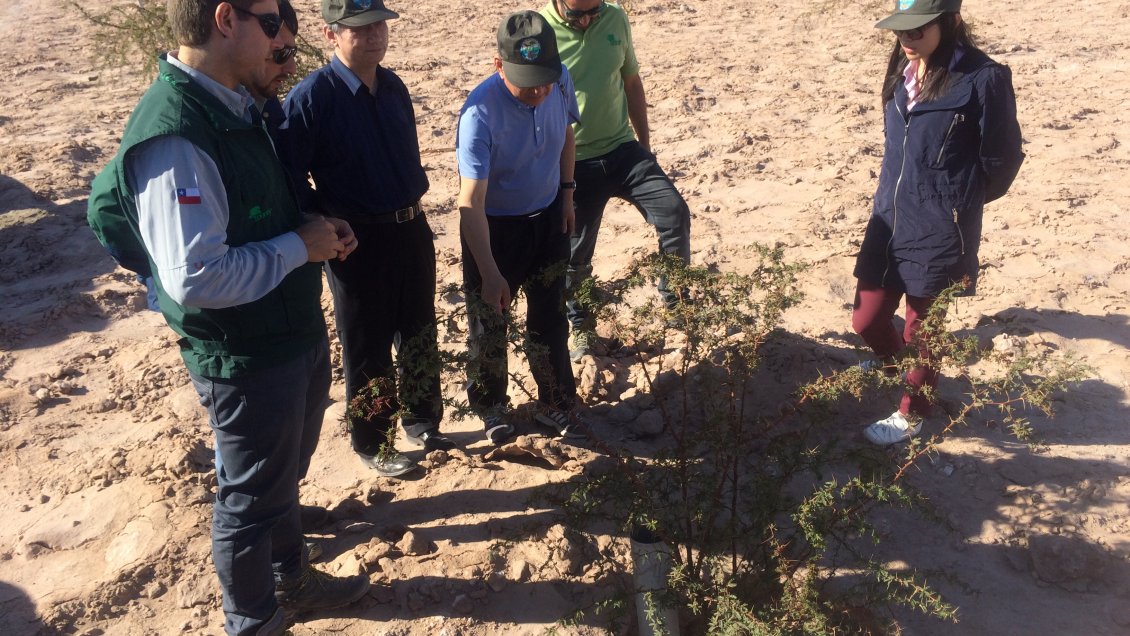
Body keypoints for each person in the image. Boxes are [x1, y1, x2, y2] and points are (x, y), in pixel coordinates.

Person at [86, 0, 369, 633]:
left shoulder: (235, 106)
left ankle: (292, 577)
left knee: (278, 475)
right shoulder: (178, 133)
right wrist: (303, 247)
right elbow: (194, 277)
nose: (281, 42)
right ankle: (255, 619)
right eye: (271, 23)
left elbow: (249, 211)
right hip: (243, 353)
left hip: (283, 328)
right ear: (224, 19)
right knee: (248, 499)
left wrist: (306, 225)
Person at [276, 0, 451, 478]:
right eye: (360, 29)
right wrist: (323, 219)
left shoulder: (393, 86)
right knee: (367, 342)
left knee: (418, 330)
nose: (373, 37)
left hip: (411, 226)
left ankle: (423, 420)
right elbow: (289, 176)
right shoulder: (313, 96)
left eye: (379, 26)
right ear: (331, 34)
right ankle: (374, 440)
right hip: (356, 239)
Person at [852, 0, 1023, 445]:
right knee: (866, 320)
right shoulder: (902, 66)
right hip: (889, 215)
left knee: (922, 330)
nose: (906, 39)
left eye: (917, 30)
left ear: (951, 22)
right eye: (900, 31)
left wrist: (957, 201)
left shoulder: (984, 78)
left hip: (941, 224)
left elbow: (1002, 159)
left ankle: (914, 412)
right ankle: (894, 367)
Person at [456, 10, 585, 442]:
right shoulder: (478, 115)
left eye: (545, 79)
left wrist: (567, 194)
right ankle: (492, 408)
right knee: (490, 323)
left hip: (548, 216)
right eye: (528, 83)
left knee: (550, 317)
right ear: (499, 66)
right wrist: (491, 272)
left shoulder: (558, 78)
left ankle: (556, 403)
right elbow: (470, 202)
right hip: (494, 228)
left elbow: (567, 133)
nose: (541, 90)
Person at [539, 0, 692, 360]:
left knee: (675, 213)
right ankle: (581, 328)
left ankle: (678, 307)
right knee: (575, 252)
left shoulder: (616, 18)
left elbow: (631, 81)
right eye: (578, 14)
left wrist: (645, 146)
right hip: (573, 160)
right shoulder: (540, 32)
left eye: (595, 8)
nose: (589, 18)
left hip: (623, 148)